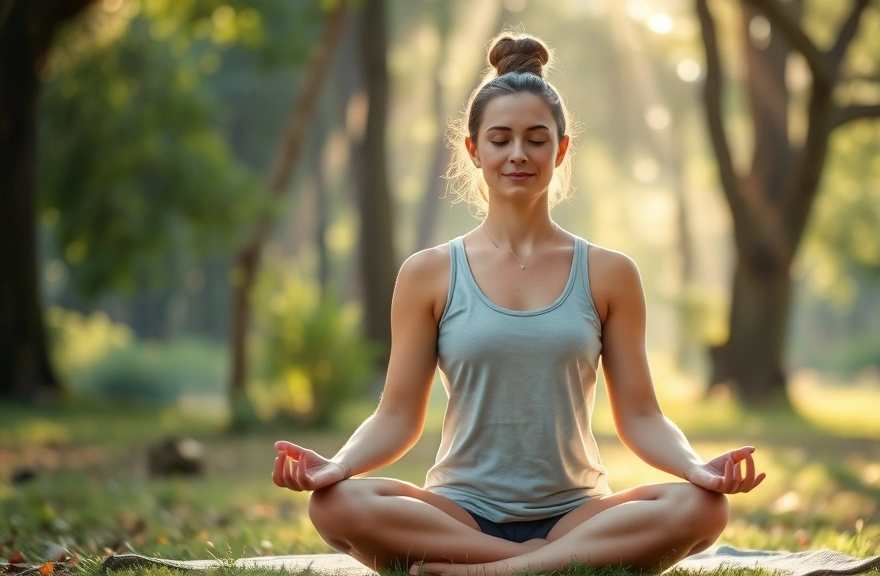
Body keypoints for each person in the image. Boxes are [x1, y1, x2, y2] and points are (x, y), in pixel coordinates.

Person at [272, 32, 765, 576]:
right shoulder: (429, 273)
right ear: (473, 149)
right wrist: (337, 465)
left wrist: (697, 470)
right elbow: (395, 416)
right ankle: (547, 568)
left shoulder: (609, 273)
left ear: (561, 148)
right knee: (336, 503)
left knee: (701, 508)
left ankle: (489, 573)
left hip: (574, 513)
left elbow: (643, 415)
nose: (517, 155)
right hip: (458, 514)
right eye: (500, 138)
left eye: (536, 139)